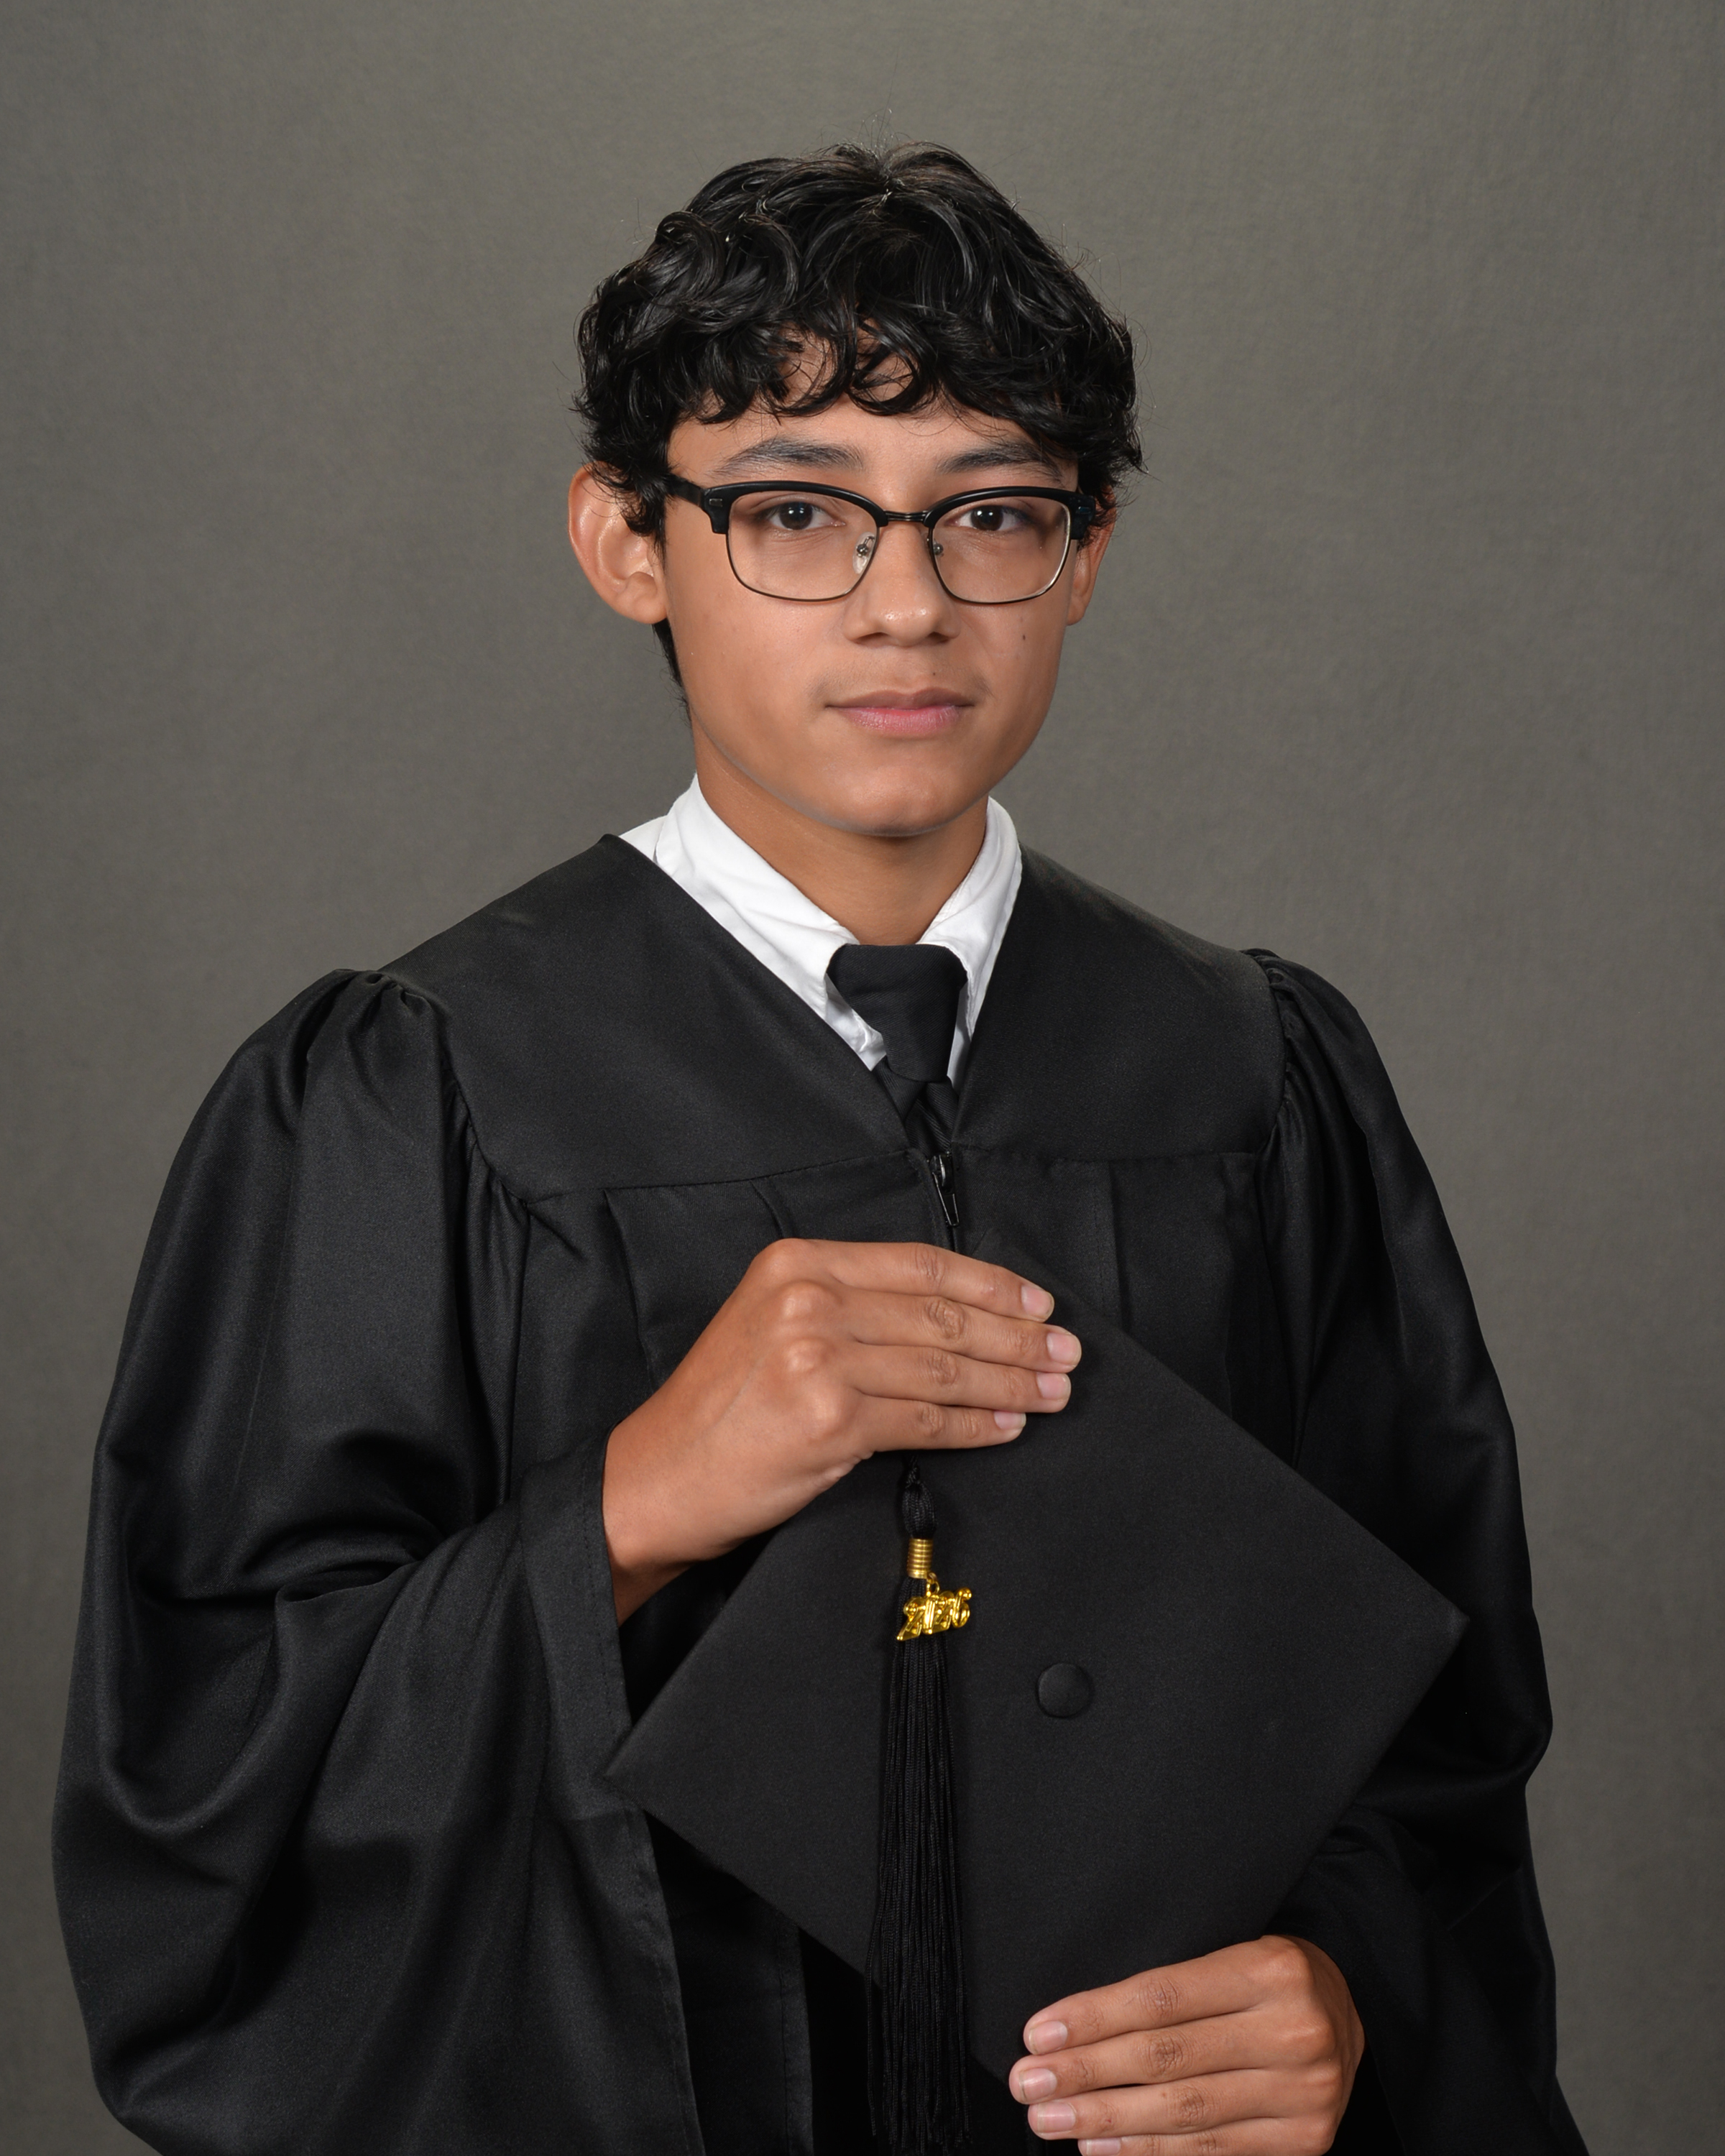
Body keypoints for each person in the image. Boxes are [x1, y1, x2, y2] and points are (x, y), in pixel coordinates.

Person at [55, 143, 1586, 2156]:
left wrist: (1349, 1987)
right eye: (797, 514)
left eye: (993, 515)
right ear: (627, 538)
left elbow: (1435, 1727)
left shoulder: (1252, 1079)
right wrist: (628, 1509)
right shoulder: (410, 1096)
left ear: (1087, 552)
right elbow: (206, 1784)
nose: (909, 604)